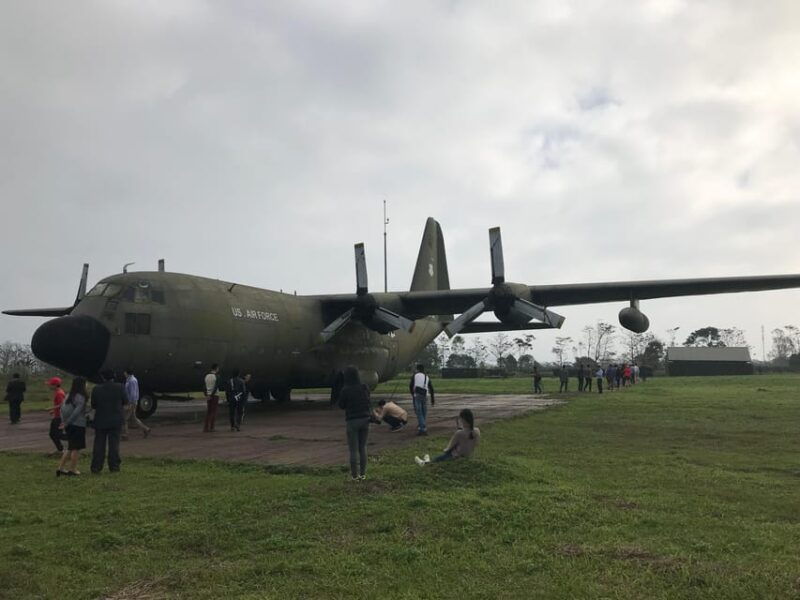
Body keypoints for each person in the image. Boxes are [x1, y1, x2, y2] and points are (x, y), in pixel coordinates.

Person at [337, 366, 372, 480]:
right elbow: (368, 400)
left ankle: (354, 476)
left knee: (353, 450)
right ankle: (363, 474)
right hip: (365, 420)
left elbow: (341, 405)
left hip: (352, 421)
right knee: (363, 447)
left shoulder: (345, 389)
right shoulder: (364, 387)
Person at [90, 370, 126, 473]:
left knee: (99, 445)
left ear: (103, 377)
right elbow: (125, 401)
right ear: (113, 377)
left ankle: (96, 467)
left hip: (100, 420)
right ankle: (114, 466)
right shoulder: (120, 387)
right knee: (114, 445)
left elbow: (93, 405)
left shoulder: (96, 389)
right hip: (115, 420)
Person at [415, 408, 480, 465]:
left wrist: (446, 449)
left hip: (454, 457)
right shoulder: (477, 431)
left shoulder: (459, 433)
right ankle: (427, 459)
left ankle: (424, 462)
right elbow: (475, 444)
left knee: (436, 460)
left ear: (463, 419)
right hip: (468, 456)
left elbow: (448, 449)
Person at [57, 377, 88, 476]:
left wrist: (64, 422)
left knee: (70, 447)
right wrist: (68, 422)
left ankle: (60, 468)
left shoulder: (68, 395)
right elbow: (76, 412)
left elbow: (62, 409)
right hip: (78, 424)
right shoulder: (81, 397)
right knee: (76, 448)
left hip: (69, 425)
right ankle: (73, 469)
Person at [122, 368, 150, 439]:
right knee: (133, 419)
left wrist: (130, 403)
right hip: (132, 402)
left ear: (127, 373)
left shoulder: (132, 381)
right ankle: (146, 429)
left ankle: (125, 434)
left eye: (124, 372)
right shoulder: (129, 380)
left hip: (131, 402)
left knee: (124, 419)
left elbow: (133, 393)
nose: (124, 374)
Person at [409, 364, 435, 436]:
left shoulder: (415, 375)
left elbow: (411, 386)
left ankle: (423, 428)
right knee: (424, 412)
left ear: (417, 369)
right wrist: (433, 400)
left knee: (419, 412)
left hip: (417, 395)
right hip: (425, 395)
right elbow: (431, 388)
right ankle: (421, 427)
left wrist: (413, 395)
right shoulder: (427, 377)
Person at [46, 377, 66, 454]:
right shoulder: (58, 392)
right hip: (57, 416)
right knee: (53, 434)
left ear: (55, 385)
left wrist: (51, 408)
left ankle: (73, 438)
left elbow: (62, 405)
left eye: (50, 385)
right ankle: (60, 449)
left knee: (57, 434)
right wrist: (53, 411)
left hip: (59, 417)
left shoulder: (59, 393)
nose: (49, 386)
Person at [203, 364, 219, 433]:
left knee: (208, 411)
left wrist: (206, 395)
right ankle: (212, 427)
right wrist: (212, 395)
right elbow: (216, 387)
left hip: (208, 395)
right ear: (216, 369)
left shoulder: (206, 376)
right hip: (214, 395)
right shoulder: (216, 376)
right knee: (213, 412)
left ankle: (206, 427)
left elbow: (204, 386)